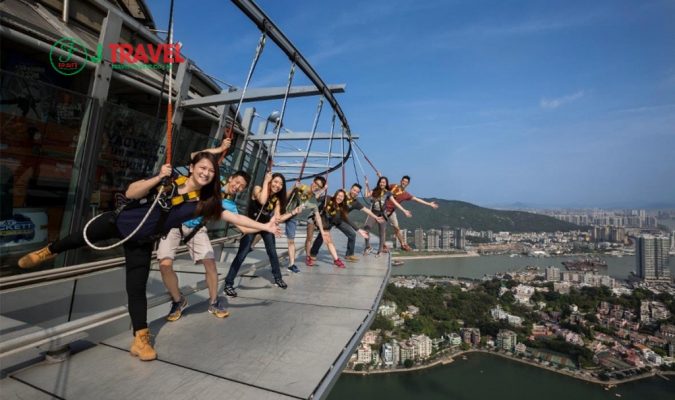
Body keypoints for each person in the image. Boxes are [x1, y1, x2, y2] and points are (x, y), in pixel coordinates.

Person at [17, 152, 279, 362]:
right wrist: (158, 178)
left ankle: (141, 338)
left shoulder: (204, 203)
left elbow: (234, 217)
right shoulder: (169, 180)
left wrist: (265, 226)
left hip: (141, 242)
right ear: (192, 167)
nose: (206, 172)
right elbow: (132, 192)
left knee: (136, 288)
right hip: (120, 222)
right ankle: (47, 252)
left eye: (211, 171)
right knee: (77, 238)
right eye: (202, 167)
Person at [157, 158, 251, 321]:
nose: (237, 187)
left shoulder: (230, 205)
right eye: (237, 182)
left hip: (196, 228)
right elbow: (196, 159)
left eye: (242, 186)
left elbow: (243, 227)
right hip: (175, 222)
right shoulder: (212, 182)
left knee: (210, 263)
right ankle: (178, 301)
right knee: (164, 265)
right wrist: (220, 149)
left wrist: (266, 227)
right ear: (230, 178)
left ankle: (213, 302)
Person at [223, 172, 301, 297]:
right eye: (275, 182)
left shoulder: (277, 200)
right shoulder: (258, 188)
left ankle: (278, 278)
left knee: (272, 252)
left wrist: (292, 212)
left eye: (281, 184)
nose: (277, 185)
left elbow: (278, 217)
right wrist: (265, 182)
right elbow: (262, 200)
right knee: (242, 254)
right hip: (251, 225)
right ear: (270, 181)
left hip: (266, 227)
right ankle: (228, 283)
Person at [308, 183, 384, 263]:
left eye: (357, 192)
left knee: (352, 234)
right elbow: (332, 198)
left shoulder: (355, 203)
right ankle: (313, 253)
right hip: (329, 218)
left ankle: (349, 254)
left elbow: (366, 210)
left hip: (340, 220)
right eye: (354, 190)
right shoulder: (343, 196)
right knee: (322, 236)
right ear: (351, 189)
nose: (355, 192)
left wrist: (376, 217)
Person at [384, 175, 439, 251]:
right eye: (403, 181)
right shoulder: (393, 186)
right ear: (401, 181)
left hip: (392, 212)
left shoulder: (406, 194)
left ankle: (403, 245)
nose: (404, 182)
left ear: (408, 184)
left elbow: (416, 199)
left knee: (397, 228)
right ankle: (383, 245)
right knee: (383, 228)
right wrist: (380, 177)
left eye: (406, 182)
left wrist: (429, 204)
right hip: (383, 209)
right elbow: (383, 186)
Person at [283, 176, 326, 271]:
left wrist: (322, 231)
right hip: (282, 211)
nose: (316, 186)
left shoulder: (313, 201)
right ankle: (251, 245)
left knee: (291, 241)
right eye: (316, 183)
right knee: (262, 232)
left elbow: (318, 216)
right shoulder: (301, 187)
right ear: (313, 182)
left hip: (292, 217)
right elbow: (285, 197)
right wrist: (293, 187)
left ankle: (291, 265)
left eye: (319, 186)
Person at [362, 176, 408, 256]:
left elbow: (395, 203)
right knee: (366, 228)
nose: (382, 183)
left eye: (384, 182)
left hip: (383, 214)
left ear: (386, 184)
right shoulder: (375, 190)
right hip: (373, 213)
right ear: (379, 183)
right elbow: (366, 195)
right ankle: (367, 247)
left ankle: (380, 251)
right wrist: (366, 185)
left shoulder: (388, 193)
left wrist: (404, 210)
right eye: (381, 182)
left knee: (382, 233)